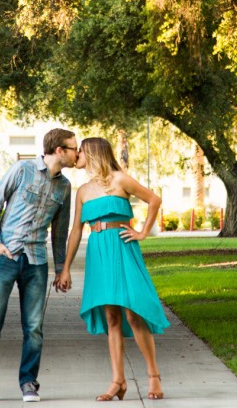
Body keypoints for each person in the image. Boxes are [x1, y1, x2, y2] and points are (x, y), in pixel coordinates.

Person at [55, 137, 170, 401]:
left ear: (93, 153)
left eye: (80, 150)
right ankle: (118, 381)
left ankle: (153, 375)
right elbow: (75, 232)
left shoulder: (120, 179)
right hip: (98, 252)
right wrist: (65, 269)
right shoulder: (82, 191)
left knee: (133, 312)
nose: (77, 155)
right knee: (111, 318)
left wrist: (141, 233)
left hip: (122, 247)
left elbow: (154, 200)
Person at [0, 128, 78, 403]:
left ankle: (29, 382)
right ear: (59, 150)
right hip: (4, 258)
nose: (78, 154)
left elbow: (59, 231)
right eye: (73, 148)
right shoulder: (22, 169)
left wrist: (61, 269)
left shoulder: (65, 187)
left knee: (33, 327)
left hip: (36, 263)